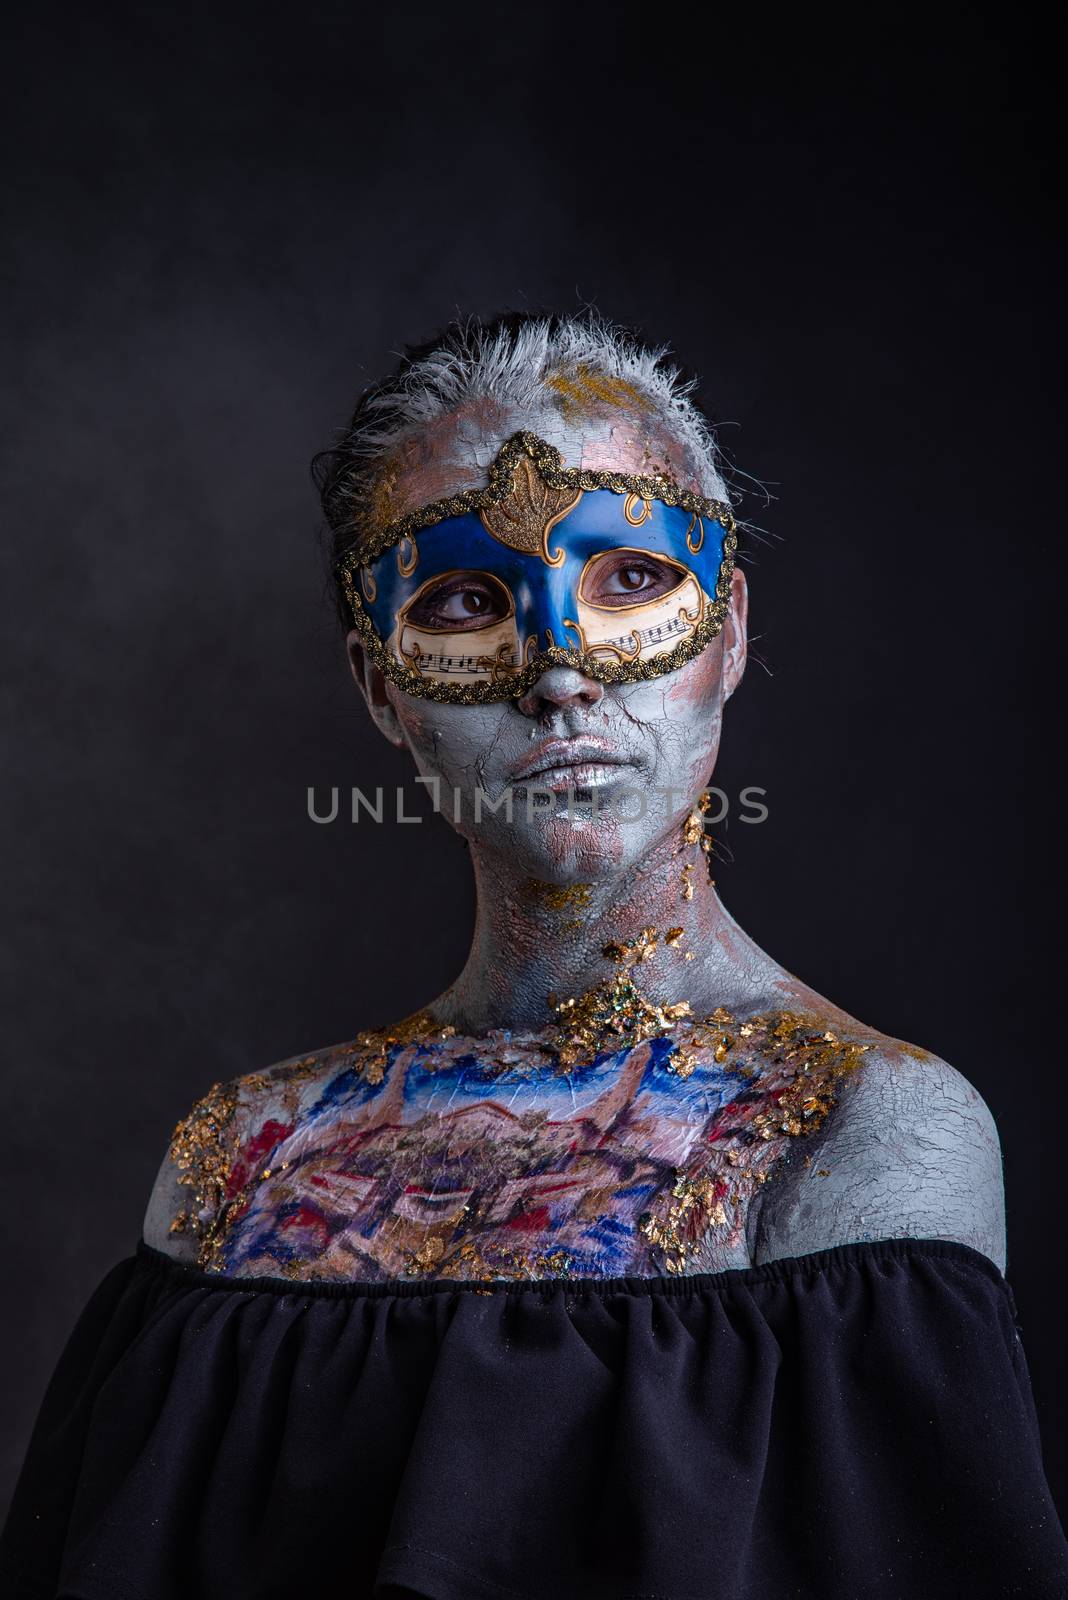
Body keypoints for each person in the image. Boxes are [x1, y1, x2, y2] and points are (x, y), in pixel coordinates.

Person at [3, 311, 1065, 1598]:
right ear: (380, 685)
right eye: (465, 600)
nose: (560, 670)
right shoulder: (239, 1158)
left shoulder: (855, 1131)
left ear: (727, 632)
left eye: (629, 580)